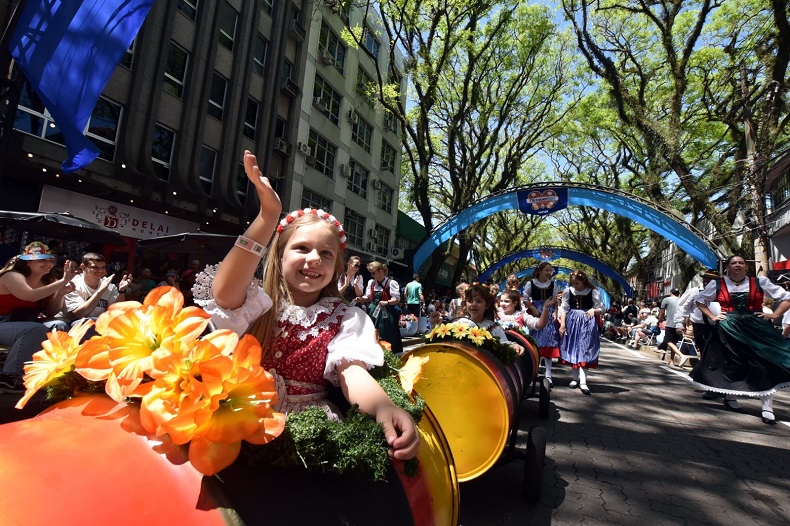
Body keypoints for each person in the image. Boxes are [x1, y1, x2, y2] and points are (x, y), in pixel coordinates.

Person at [201, 151, 418, 460]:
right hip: (239, 417)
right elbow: (223, 293)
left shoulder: (345, 318)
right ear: (279, 255)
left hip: (310, 429)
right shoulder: (256, 304)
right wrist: (268, 216)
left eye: (326, 253)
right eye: (301, 248)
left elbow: (351, 373)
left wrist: (384, 407)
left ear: (337, 266)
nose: (314, 258)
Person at [691, 255, 790, 425]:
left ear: (746, 266)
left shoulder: (761, 282)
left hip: (756, 327)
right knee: (733, 363)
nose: (738, 265)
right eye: (733, 263)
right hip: (729, 327)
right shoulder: (718, 284)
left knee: (764, 363)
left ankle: (767, 407)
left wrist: (775, 314)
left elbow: (786, 297)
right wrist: (713, 317)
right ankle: (730, 397)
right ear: (727, 267)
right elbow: (700, 300)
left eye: (741, 263)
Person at [0, 242, 78, 389]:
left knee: (59, 326)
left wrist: (60, 293)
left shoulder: (47, 281)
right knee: (34, 329)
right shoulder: (12, 276)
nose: (48, 263)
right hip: (4, 323)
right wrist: (62, 282)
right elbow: (30, 296)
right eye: (42, 259)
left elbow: (50, 312)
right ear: (28, 262)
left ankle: (49, 371)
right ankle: (10, 375)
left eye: (50, 260)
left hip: (26, 323)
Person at [559, 270, 604, 395]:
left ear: (583, 281)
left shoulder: (593, 292)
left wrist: (594, 310)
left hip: (587, 322)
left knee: (585, 349)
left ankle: (583, 382)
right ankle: (575, 379)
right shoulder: (568, 291)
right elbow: (564, 308)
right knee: (573, 348)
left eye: (577, 283)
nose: (575, 285)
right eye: (573, 283)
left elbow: (601, 308)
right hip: (572, 322)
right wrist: (563, 324)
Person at [453, 282, 524, 356]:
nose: (474, 304)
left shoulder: (494, 328)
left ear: (487, 305)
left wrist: (514, 346)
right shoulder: (459, 324)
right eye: (470, 301)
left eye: (478, 301)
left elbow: (504, 344)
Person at [64, 253, 133, 322]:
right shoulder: (73, 284)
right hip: (75, 323)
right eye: (95, 267)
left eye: (103, 267)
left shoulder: (109, 285)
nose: (100, 271)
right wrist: (100, 291)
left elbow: (116, 311)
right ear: (83, 267)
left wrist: (121, 291)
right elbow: (78, 314)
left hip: (101, 323)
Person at [522, 262, 561, 386]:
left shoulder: (553, 285)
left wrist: (555, 311)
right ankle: (536, 369)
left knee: (549, 341)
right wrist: (533, 309)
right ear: (539, 271)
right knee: (536, 341)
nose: (549, 273)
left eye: (550, 270)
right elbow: (525, 299)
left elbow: (555, 301)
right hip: (535, 312)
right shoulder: (531, 283)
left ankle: (548, 374)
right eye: (547, 270)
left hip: (548, 313)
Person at [359, 261, 403, 354]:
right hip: (373, 312)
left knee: (385, 333)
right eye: (371, 273)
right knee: (371, 333)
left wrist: (387, 302)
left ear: (381, 271)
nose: (372, 275)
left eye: (373, 273)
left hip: (386, 313)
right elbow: (369, 297)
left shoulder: (391, 283)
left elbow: (397, 299)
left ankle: (387, 354)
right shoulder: (371, 283)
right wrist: (361, 299)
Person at [657, 288, 681, 366]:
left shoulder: (666, 299)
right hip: (679, 323)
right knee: (674, 342)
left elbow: (662, 312)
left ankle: (681, 355)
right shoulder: (681, 299)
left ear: (671, 293)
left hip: (670, 323)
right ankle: (671, 360)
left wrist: (659, 320)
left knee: (668, 341)